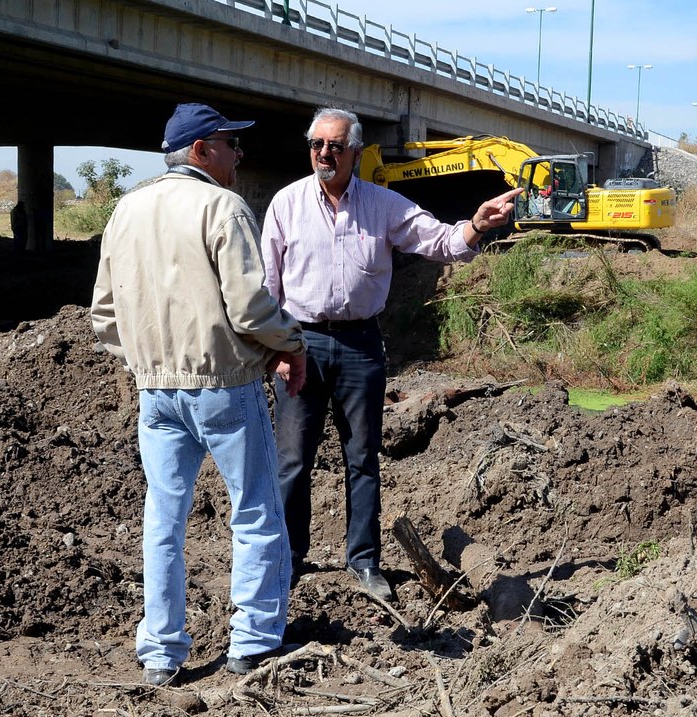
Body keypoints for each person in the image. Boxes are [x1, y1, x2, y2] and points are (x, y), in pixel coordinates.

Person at [261, 107, 521, 601]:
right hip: (301, 345)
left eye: (335, 146)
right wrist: (275, 349)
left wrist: (478, 225)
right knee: (293, 460)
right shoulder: (286, 204)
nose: (324, 154)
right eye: (317, 145)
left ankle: (363, 561)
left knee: (362, 459)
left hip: (361, 345)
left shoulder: (384, 205)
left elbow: (440, 240)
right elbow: (267, 286)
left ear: (355, 152)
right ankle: (290, 558)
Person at [90, 102, 308, 687]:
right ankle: (255, 640)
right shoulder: (223, 206)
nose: (241, 154)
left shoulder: (126, 209)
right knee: (256, 510)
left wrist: (148, 360)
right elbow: (250, 307)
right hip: (225, 387)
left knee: (163, 518)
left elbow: (104, 316)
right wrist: (288, 346)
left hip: (155, 394)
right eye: (232, 144)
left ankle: (161, 652)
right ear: (201, 150)